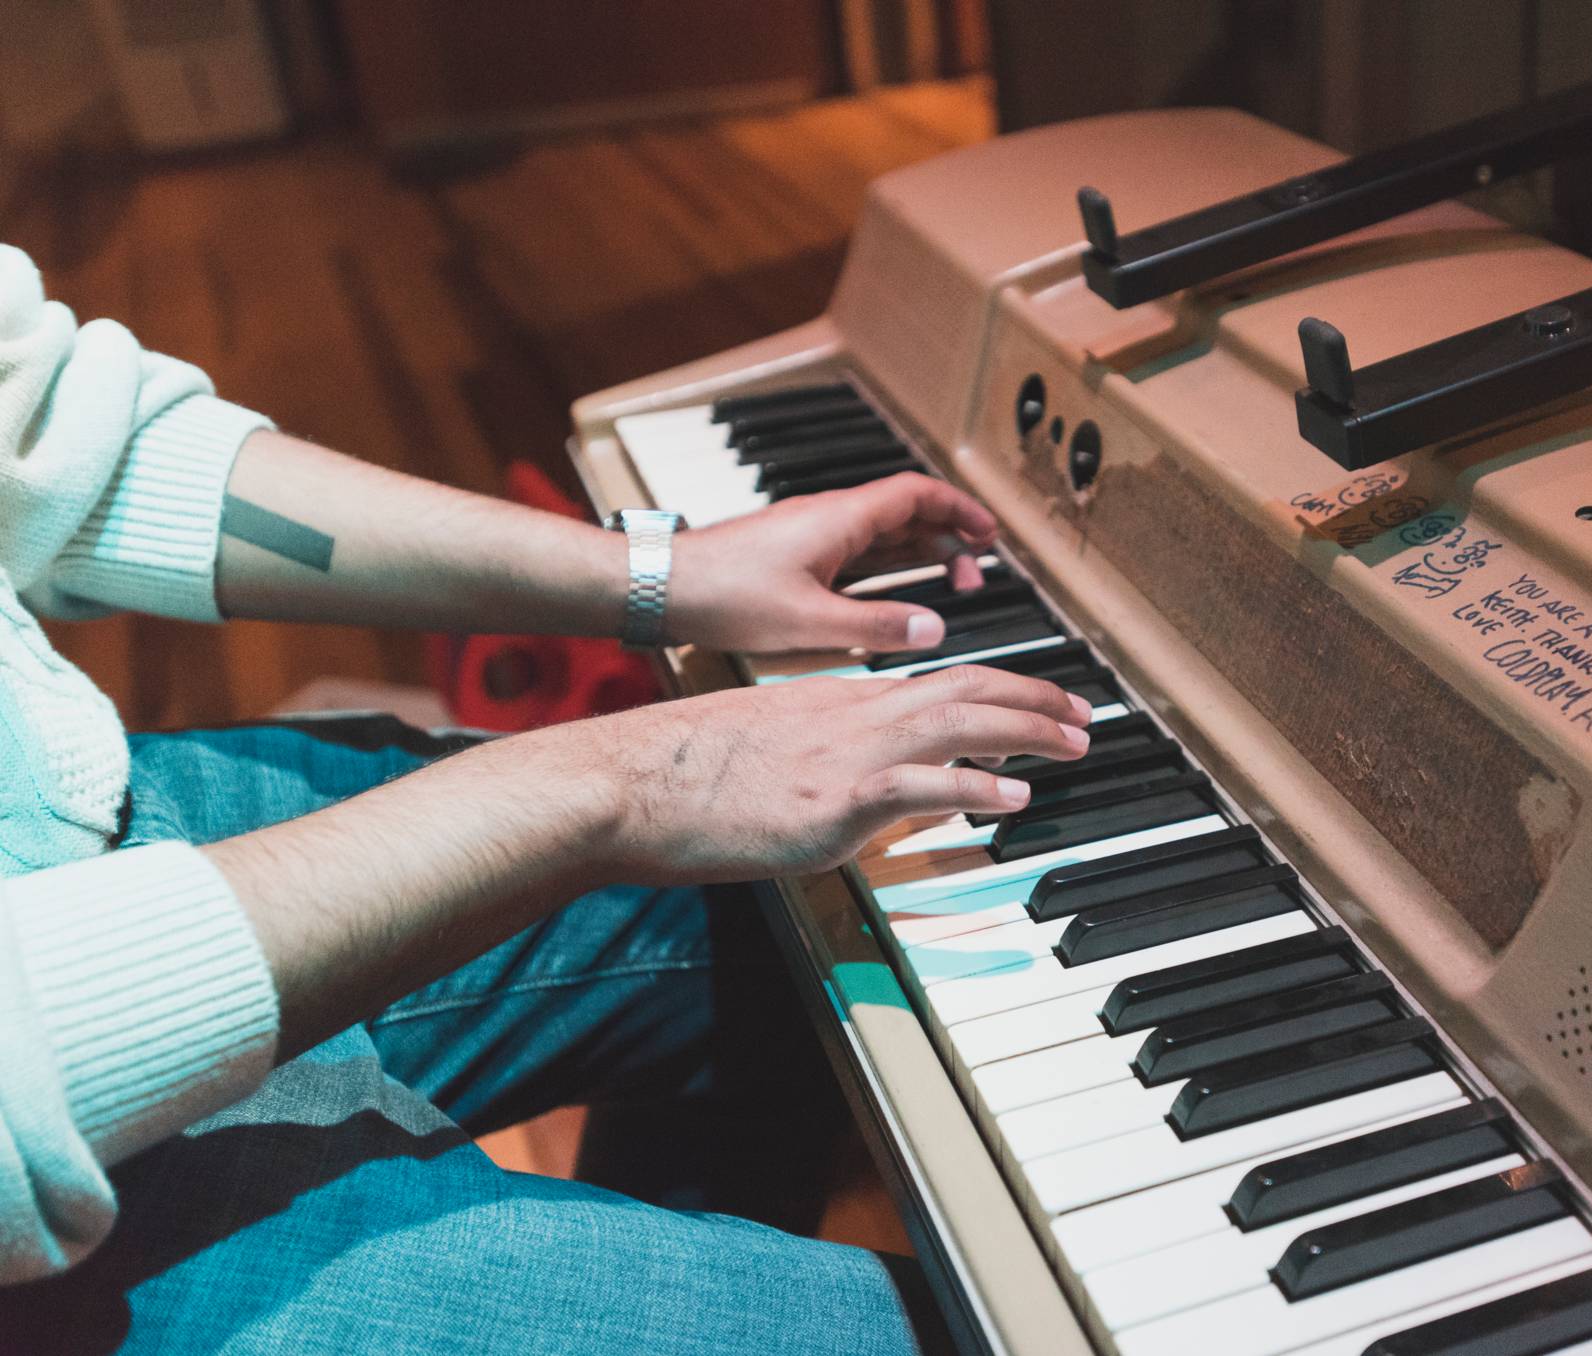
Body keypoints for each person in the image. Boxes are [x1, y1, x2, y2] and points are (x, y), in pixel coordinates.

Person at [0, 242, 1091, 1353]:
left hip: (59, 823)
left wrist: (662, 578)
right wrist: (628, 780)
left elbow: (55, 439)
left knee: (787, 911)